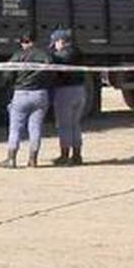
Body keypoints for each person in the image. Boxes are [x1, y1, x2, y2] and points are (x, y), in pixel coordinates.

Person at [0, 31, 53, 168]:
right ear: (35, 41)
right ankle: (33, 159)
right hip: (40, 94)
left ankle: (11, 159)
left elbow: (7, 74)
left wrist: (8, 84)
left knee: (15, 129)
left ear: (23, 42)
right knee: (35, 128)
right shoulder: (45, 55)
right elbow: (51, 72)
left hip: (21, 93)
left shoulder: (18, 55)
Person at [47, 28, 87, 166]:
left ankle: (64, 156)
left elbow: (55, 61)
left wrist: (50, 54)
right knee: (75, 124)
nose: (54, 46)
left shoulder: (63, 55)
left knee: (64, 125)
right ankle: (77, 155)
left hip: (65, 91)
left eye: (55, 43)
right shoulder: (78, 51)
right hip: (80, 91)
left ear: (60, 41)